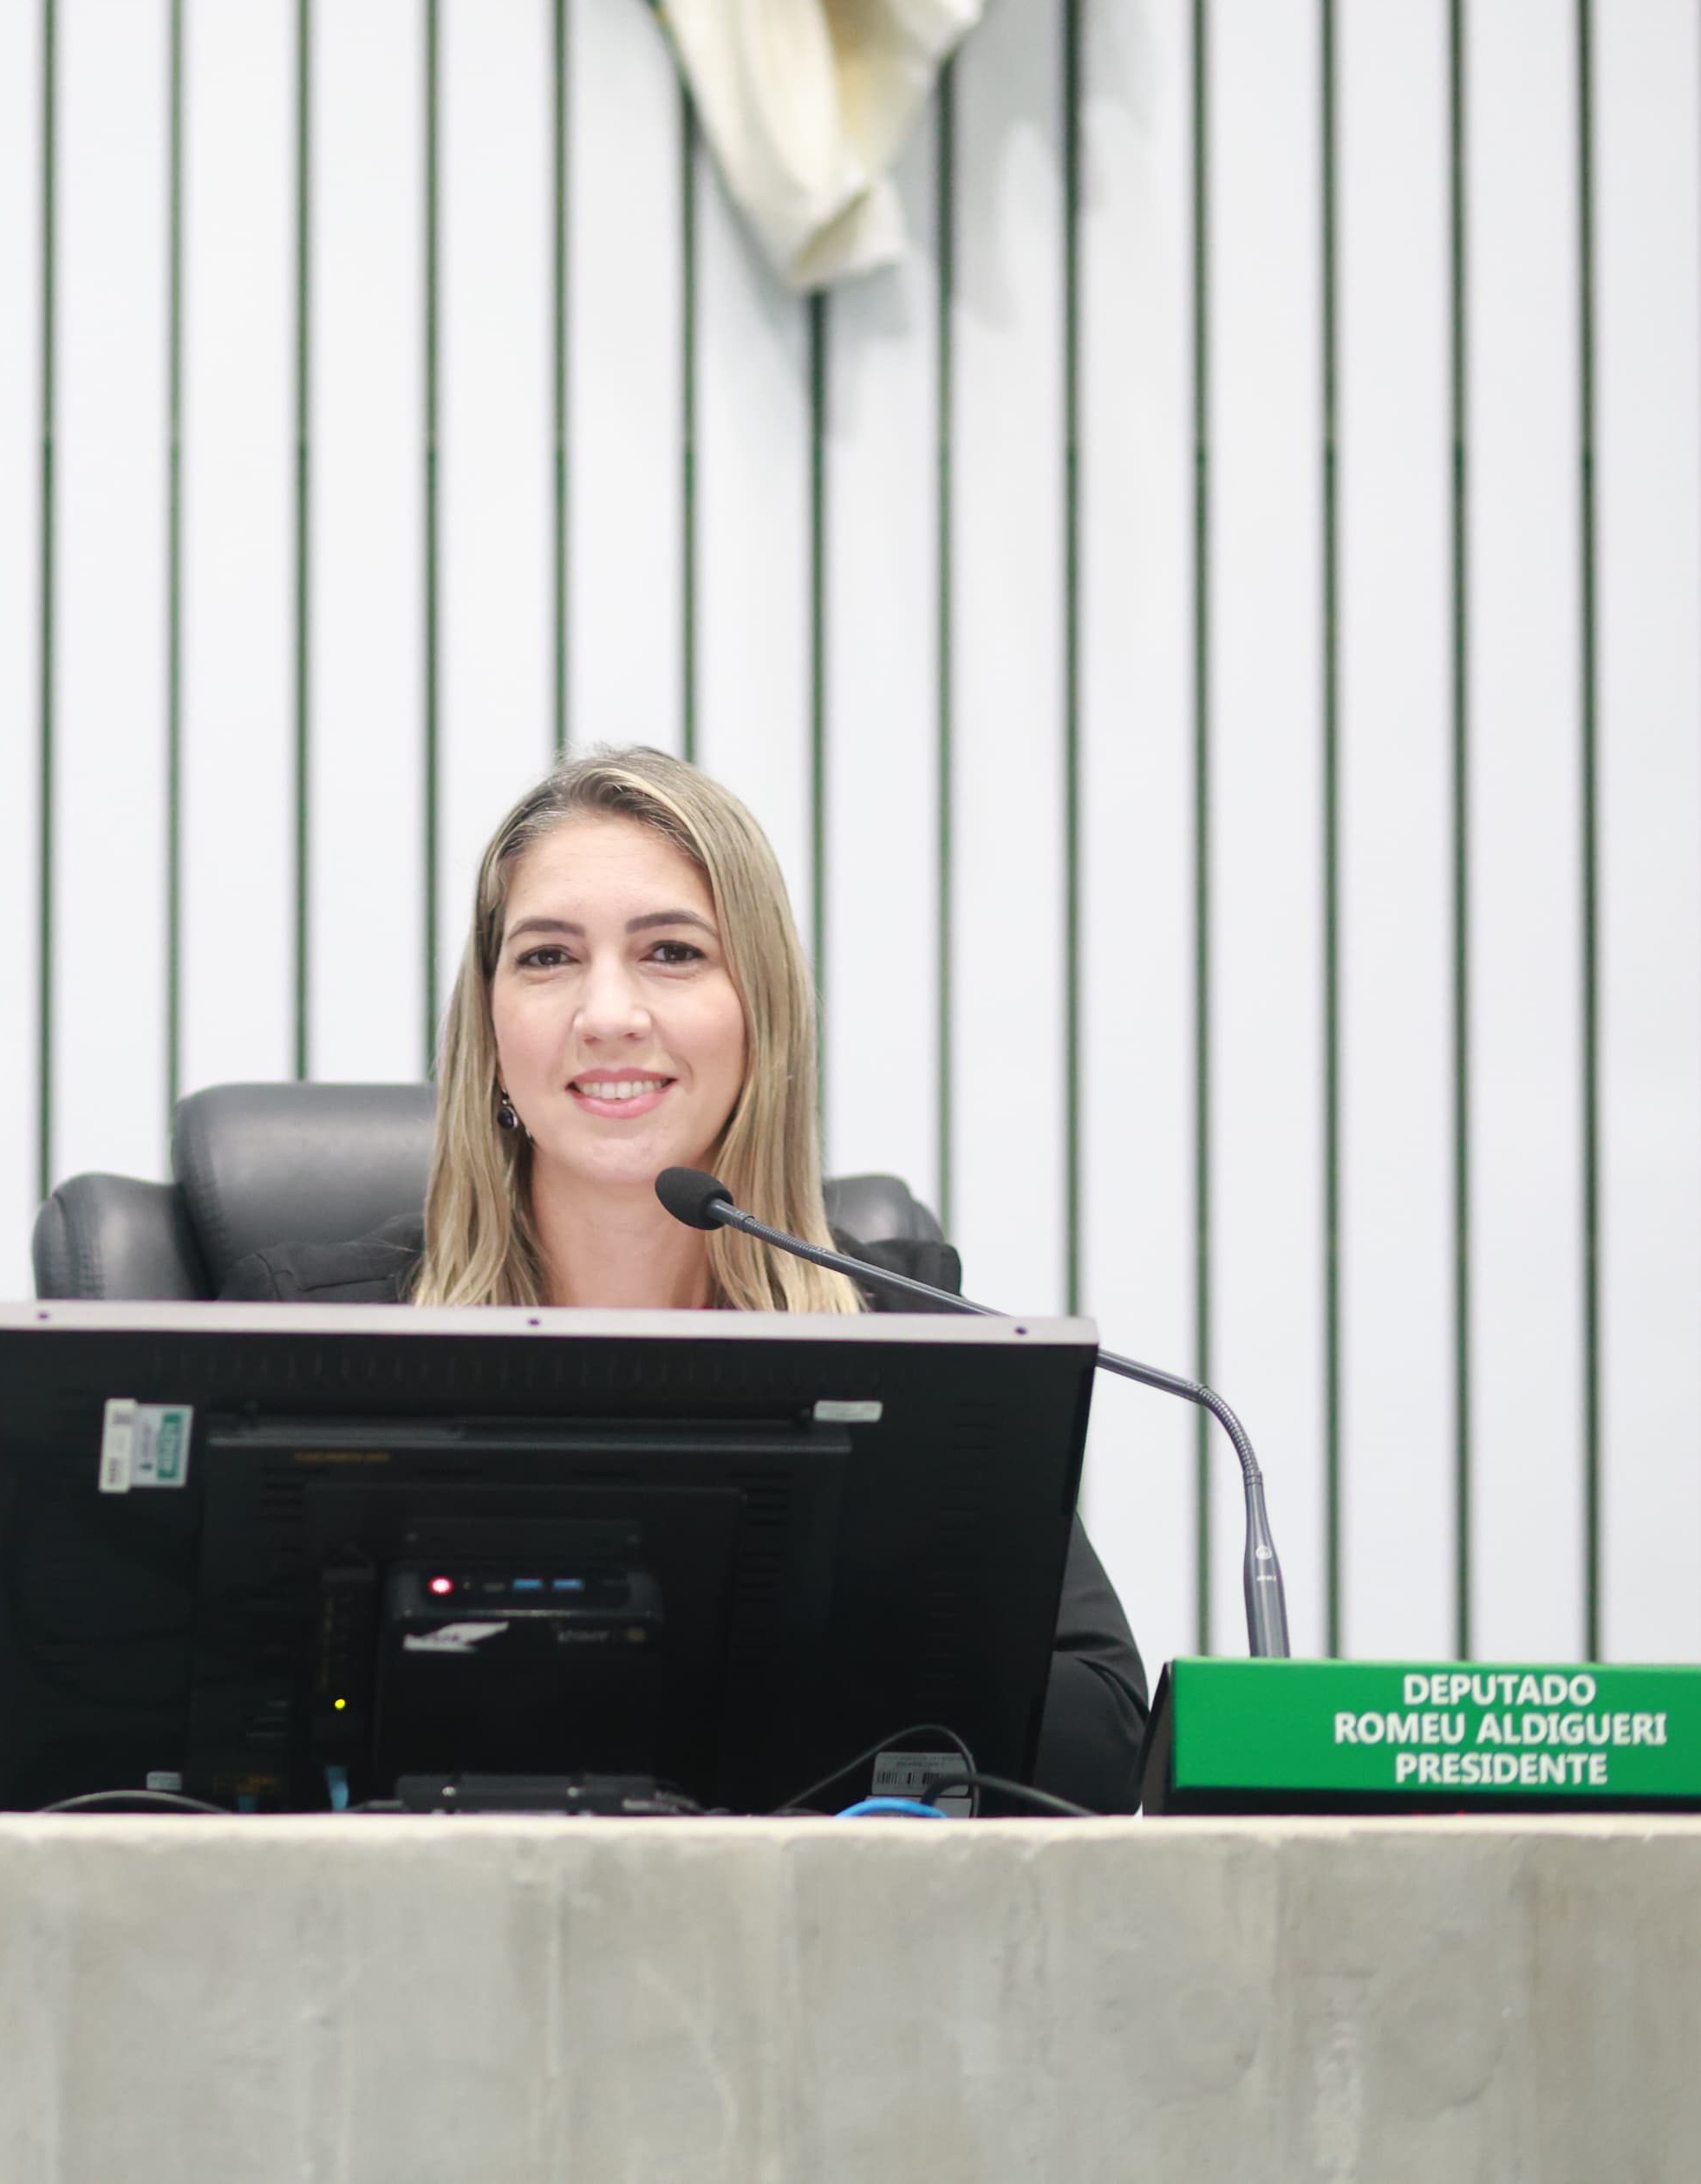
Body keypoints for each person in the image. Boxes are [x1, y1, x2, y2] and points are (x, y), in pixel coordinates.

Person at [218, 744, 1148, 1809]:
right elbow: (121, 1732)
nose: (607, 1012)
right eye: (545, 957)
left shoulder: (903, 1338)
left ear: (761, 1012)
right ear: (489, 1031)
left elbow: (1098, 1734)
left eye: (669, 951)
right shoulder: (308, 1333)